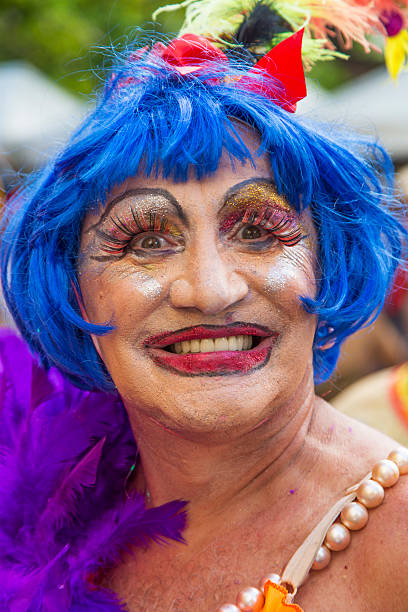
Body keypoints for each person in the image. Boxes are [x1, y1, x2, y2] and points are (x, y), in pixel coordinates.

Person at [1, 1, 408, 610]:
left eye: (258, 230)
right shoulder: (37, 511)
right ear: (69, 285)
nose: (211, 290)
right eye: (147, 240)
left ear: (330, 265)